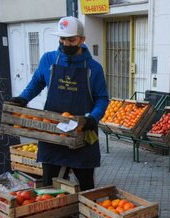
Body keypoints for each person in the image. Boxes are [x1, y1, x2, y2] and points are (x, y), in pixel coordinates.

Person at [9, 16, 109, 191]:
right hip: (52, 133)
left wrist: (93, 117)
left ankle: (84, 216)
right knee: (50, 188)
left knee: (86, 188)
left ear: (82, 39)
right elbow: (37, 82)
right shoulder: (48, 59)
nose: (66, 43)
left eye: (71, 40)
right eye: (62, 39)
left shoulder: (94, 68)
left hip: (82, 133)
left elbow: (102, 98)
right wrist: (23, 98)